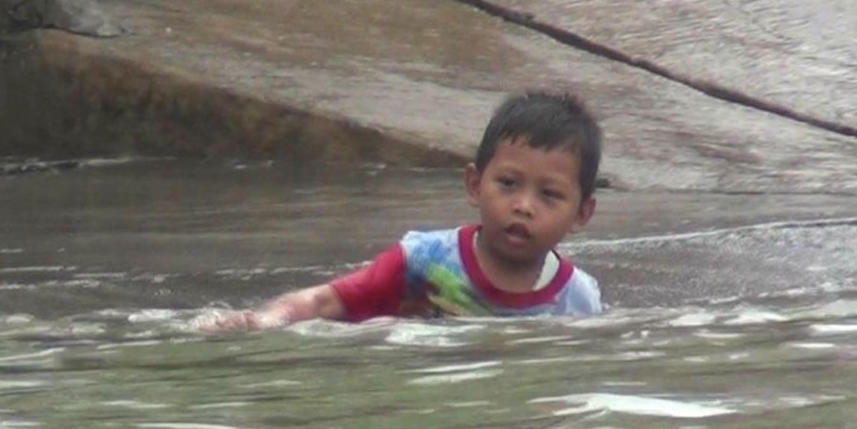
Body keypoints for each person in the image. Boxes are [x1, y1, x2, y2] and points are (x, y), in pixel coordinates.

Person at [206, 91, 603, 330]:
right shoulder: (425, 260)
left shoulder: (577, 299)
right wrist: (265, 321)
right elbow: (325, 301)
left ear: (582, 213)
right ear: (474, 184)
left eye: (549, 195)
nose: (523, 206)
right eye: (508, 184)